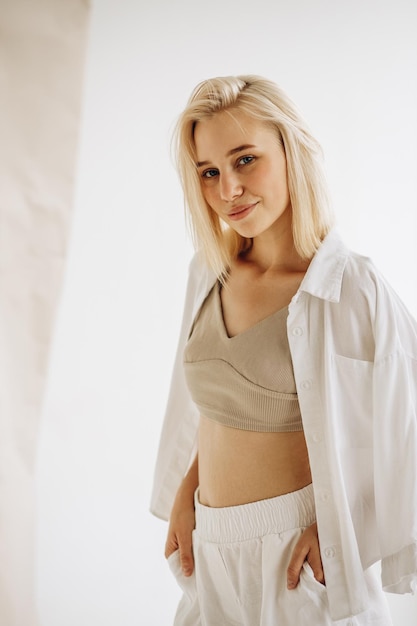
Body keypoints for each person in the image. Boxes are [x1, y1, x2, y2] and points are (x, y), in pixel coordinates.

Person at [150, 75, 417, 625]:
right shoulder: (208, 275)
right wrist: (188, 486)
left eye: (245, 160)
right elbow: (222, 407)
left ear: (291, 149)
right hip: (212, 552)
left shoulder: (349, 287)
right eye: (210, 172)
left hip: (301, 561)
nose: (228, 190)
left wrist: (343, 529)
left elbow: (405, 425)